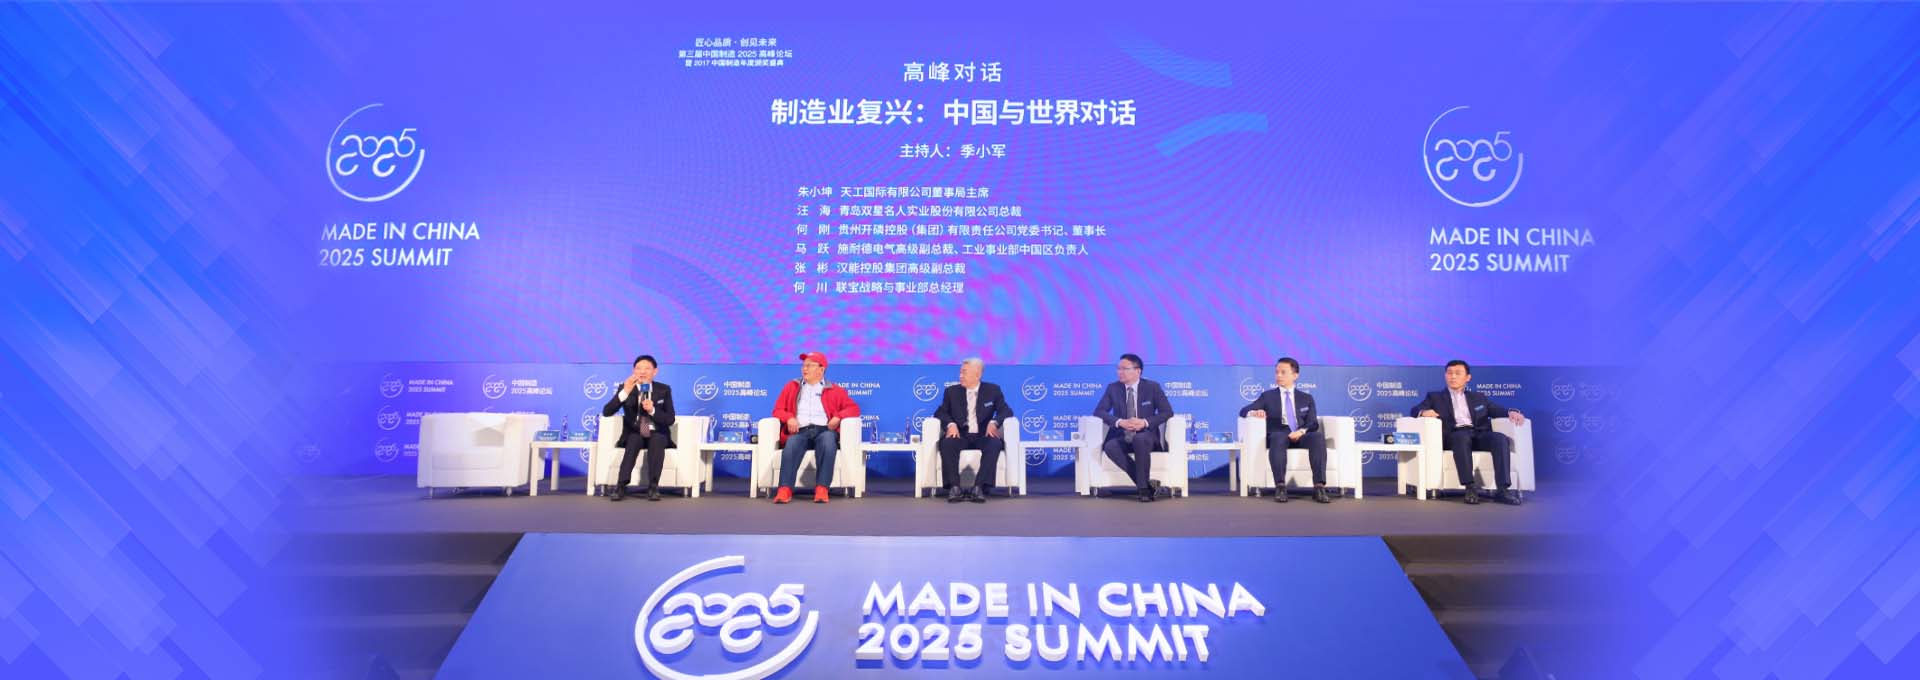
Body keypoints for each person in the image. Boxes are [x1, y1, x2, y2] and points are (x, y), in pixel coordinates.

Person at [1409, 360, 1526, 506]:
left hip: (1479, 434)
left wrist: (1511, 412)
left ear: (1468, 377)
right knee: (1461, 437)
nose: (1453, 376)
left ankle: (1503, 490)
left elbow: (1496, 410)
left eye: (1458, 373)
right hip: (1454, 436)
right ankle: (1470, 487)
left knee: (1500, 439)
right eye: (1449, 373)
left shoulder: (1479, 397)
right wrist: (1423, 412)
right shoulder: (1435, 397)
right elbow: (1414, 410)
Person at [770, 351, 861, 504]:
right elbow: (777, 410)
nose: (804, 369)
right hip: (800, 430)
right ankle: (784, 490)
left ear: (821, 369)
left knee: (828, 441)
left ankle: (822, 489)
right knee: (791, 444)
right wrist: (789, 418)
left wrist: (838, 416)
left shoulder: (835, 390)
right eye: (803, 366)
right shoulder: (792, 386)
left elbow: (854, 408)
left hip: (824, 430)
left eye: (809, 365)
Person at [1239, 357, 1331, 503]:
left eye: (1283, 372)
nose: (1278, 375)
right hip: (1279, 435)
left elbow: (1313, 423)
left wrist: (1301, 431)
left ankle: (1319, 487)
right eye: (1277, 372)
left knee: (1317, 437)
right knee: (1278, 437)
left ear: (1295, 375)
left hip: (1300, 435)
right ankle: (1280, 487)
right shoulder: (1268, 396)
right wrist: (1254, 412)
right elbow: (1243, 411)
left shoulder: (1306, 398)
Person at [1090, 353, 1174, 502]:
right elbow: (1099, 411)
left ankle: (1143, 490)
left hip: (1147, 436)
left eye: (1124, 369)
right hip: (1124, 435)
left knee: (1140, 439)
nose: (1120, 372)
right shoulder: (1113, 388)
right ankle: (1147, 486)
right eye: (1118, 368)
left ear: (1138, 371)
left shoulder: (1152, 387)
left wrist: (1144, 422)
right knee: (1110, 446)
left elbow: (1167, 412)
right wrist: (1120, 422)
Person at [934, 358, 1016, 503]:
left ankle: (979, 487)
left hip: (983, 435)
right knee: (947, 444)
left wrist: (994, 422)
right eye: (960, 372)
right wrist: (950, 424)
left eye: (964, 372)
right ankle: (954, 488)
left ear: (977, 374)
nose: (960, 375)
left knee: (995, 443)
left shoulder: (993, 390)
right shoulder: (951, 392)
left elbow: (1006, 411)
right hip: (960, 435)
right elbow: (940, 412)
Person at [600, 355, 675, 501]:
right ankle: (621, 486)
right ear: (634, 371)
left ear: (655, 371)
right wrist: (625, 392)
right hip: (635, 432)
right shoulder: (626, 388)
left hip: (657, 432)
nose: (642, 372)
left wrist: (653, 410)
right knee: (633, 440)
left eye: (647, 368)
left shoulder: (664, 390)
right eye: (639, 368)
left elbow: (670, 419)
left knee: (657, 440)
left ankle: (653, 487)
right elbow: (607, 411)